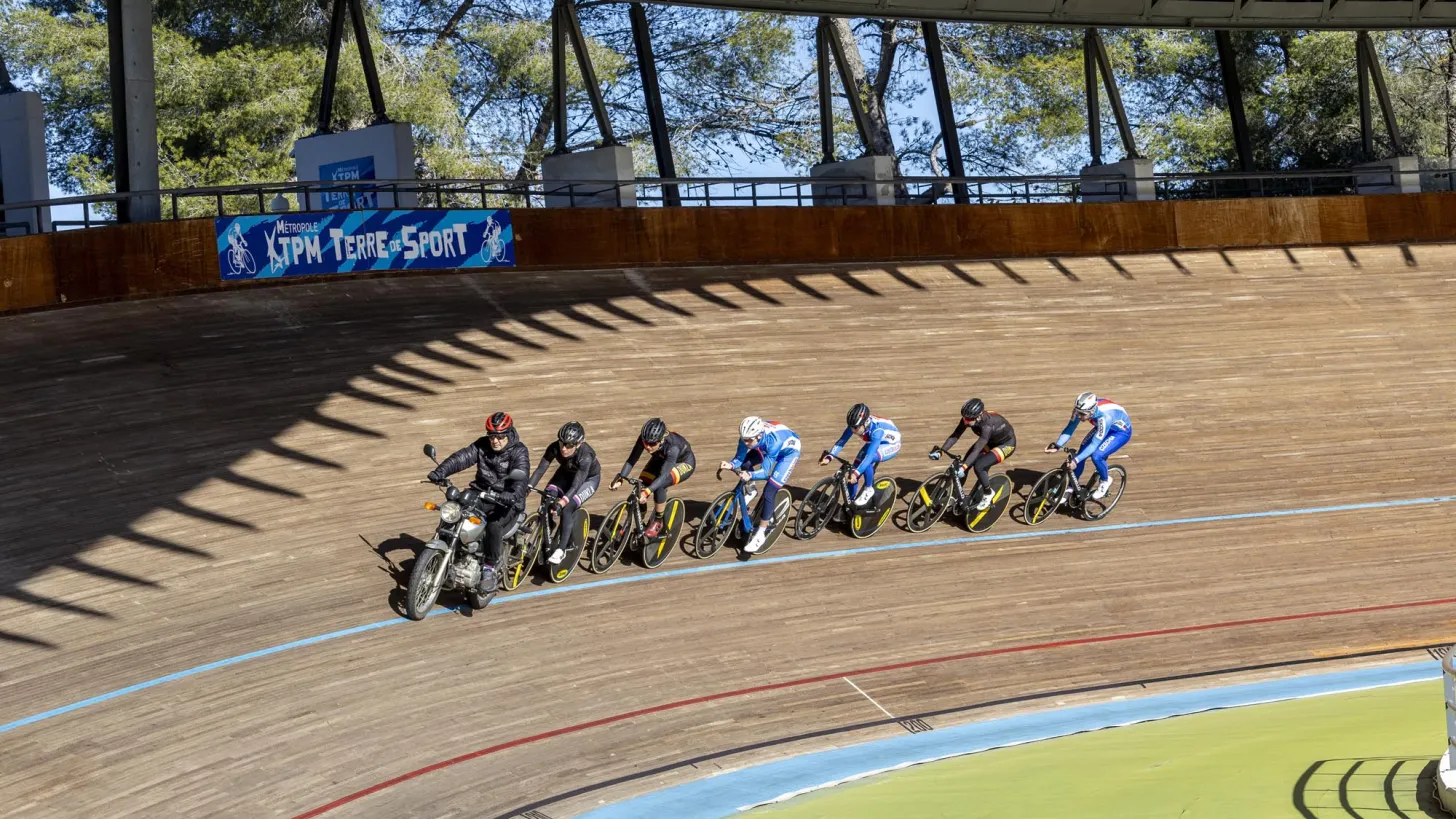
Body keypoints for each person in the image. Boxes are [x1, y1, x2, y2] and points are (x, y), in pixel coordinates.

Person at [426, 411, 530, 594]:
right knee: (455, 506)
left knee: (494, 525)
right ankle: (445, 547)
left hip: (507, 501)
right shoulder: (482, 445)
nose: (495, 440)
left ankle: (489, 568)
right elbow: (462, 457)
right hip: (481, 493)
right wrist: (440, 472)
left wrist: (512, 494)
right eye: (491, 436)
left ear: (509, 433)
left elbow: (521, 479)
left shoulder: (519, 451)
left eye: (500, 436)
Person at [721, 416, 801, 554]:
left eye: (748, 440)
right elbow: (740, 458)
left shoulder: (773, 442)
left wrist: (750, 475)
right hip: (767, 446)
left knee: (770, 491)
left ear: (758, 436)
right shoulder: (749, 437)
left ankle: (760, 534)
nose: (745, 443)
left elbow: (764, 472)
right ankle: (751, 490)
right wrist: (731, 464)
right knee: (746, 463)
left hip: (787, 454)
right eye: (743, 439)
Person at [528, 421, 601, 565]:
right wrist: (527, 487)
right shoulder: (554, 447)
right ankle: (548, 530)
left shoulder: (586, 455)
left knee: (568, 507)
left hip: (587, 480)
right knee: (548, 497)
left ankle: (561, 550)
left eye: (569, 446)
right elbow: (540, 470)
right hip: (566, 473)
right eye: (562, 443)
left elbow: (576, 485)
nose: (564, 449)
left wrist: (563, 501)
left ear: (579, 444)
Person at [612, 418, 695, 538]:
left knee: (660, 485)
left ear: (661, 440)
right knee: (640, 485)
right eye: (645, 443)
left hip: (683, 463)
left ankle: (658, 521)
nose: (647, 447)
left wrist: (647, 492)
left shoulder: (673, 447)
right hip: (660, 458)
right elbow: (632, 459)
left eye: (652, 444)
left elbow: (664, 475)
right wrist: (621, 477)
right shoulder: (645, 439)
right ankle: (639, 520)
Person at [931, 398, 1016, 511]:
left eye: (969, 419)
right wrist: (941, 450)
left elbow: (977, 449)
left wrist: (964, 466)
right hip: (989, 441)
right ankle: (956, 496)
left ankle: (988, 492)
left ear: (979, 416)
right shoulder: (968, 418)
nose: (966, 421)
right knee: (965, 464)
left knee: (979, 466)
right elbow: (955, 435)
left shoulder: (987, 425)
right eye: (964, 418)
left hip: (1006, 444)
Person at [1045, 392, 1132, 500]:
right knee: (1081, 453)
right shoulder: (1080, 410)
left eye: (1082, 414)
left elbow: (1094, 444)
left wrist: (1075, 461)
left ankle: (1105, 481)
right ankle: (1071, 488)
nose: (1079, 416)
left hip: (1120, 433)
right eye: (1078, 412)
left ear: (1092, 411)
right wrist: (1057, 445)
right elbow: (1070, 428)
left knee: (1096, 456)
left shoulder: (1105, 417)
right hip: (1102, 427)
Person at [821, 403, 901, 508]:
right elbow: (842, 441)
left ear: (865, 423)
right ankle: (850, 505)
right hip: (873, 442)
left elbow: (869, 456)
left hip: (890, 444)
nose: (853, 430)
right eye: (851, 427)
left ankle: (869, 489)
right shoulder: (856, 424)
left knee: (866, 461)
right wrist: (829, 456)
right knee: (852, 472)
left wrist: (856, 473)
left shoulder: (876, 431)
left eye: (855, 427)